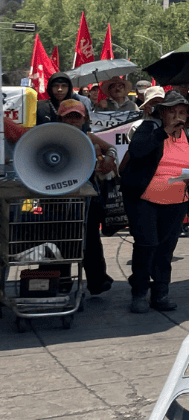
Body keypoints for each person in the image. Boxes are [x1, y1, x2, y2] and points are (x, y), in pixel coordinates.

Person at [121, 91, 189, 313]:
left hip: (177, 200)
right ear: (162, 114)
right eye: (173, 112)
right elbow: (137, 152)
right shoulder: (149, 129)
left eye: (182, 113)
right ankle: (139, 293)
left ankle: (160, 294)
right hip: (143, 199)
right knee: (146, 245)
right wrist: (165, 132)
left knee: (165, 250)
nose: (178, 117)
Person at [56, 100, 118, 296]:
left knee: (90, 239)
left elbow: (112, 149)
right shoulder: (52, 137)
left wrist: (108, 158)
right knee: (59, 238)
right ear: (61, 119)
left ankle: (97, 281)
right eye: (69, 117)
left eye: (77, 116)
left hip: (87, 198)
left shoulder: (89, 137)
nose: (73, 120)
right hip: (58, 197)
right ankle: (62, 281)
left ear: (84, 119)